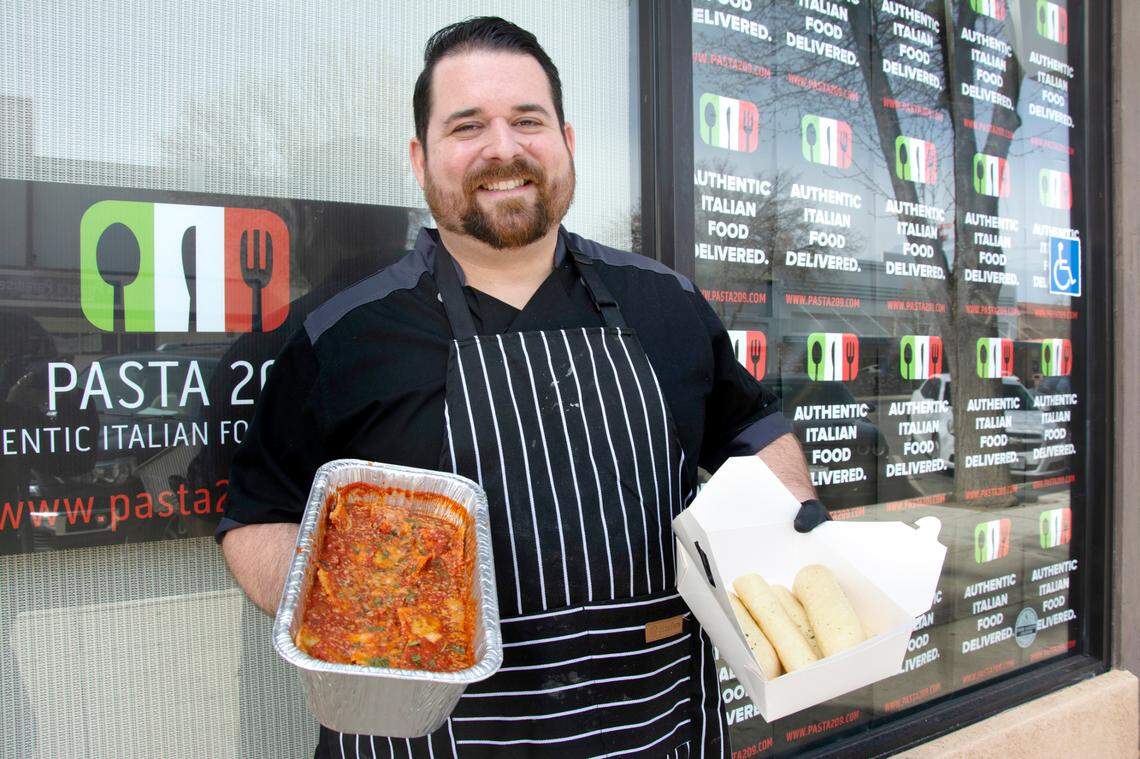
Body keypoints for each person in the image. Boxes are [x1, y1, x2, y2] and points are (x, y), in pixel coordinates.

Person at [219, 16, 829, 758]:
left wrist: (793, 519)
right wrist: (350, 616)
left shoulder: (664, 302)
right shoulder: (341, 335)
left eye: (528, 121)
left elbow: (750, 430)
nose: (502, 148)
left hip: (654, 726)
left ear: (566, 141)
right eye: (467, 126)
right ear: (420, 158)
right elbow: (258, 514)